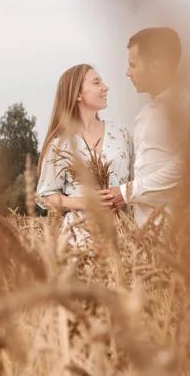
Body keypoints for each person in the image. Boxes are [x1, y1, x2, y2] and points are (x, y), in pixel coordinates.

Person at [108, 27, 190, 227]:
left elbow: (184, 166)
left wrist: (125, 193)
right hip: (143, 234)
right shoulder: (143, 116)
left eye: (133, 65)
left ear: (156, 67)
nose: (127, 73)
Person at [36, 64, 133, 250]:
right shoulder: (59, 144)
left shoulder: (122, 133)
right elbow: (46, 196)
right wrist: (85, 202)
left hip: (123, 235)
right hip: (78, 240)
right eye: (97, 82)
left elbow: (137, 180)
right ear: (78, 95)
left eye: (102, 82)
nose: (105, 87)